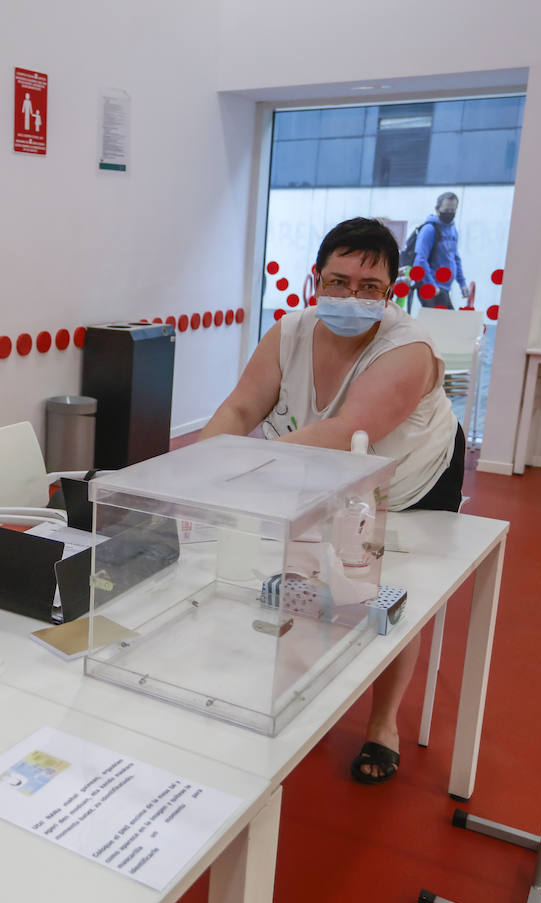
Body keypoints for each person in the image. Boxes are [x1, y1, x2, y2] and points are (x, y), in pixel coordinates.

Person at [201, 217, 463, 784]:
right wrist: (197, 465)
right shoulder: (291, 331)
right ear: (314, 279)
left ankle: (383, 724)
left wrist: (238, 467)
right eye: (338, 281)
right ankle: (300, 689)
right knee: (302, 571)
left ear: (392, 290)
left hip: (409, 476)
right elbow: (242, 408)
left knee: (392, 589)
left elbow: (349, 430)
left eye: (370, 287)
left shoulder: (408, 349)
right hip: (316, 468)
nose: (351, 296)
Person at [413, 192, 468, 309]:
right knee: (445, 323)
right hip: (431, 286)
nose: (450, 214)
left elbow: (455, 258)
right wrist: (431, 285)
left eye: (453, 210)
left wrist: (462, 283)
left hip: (444, 287)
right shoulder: (429, 229)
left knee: (442, 324)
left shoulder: (453, 230)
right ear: (438, 209)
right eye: (447, 210)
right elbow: (420, 259)